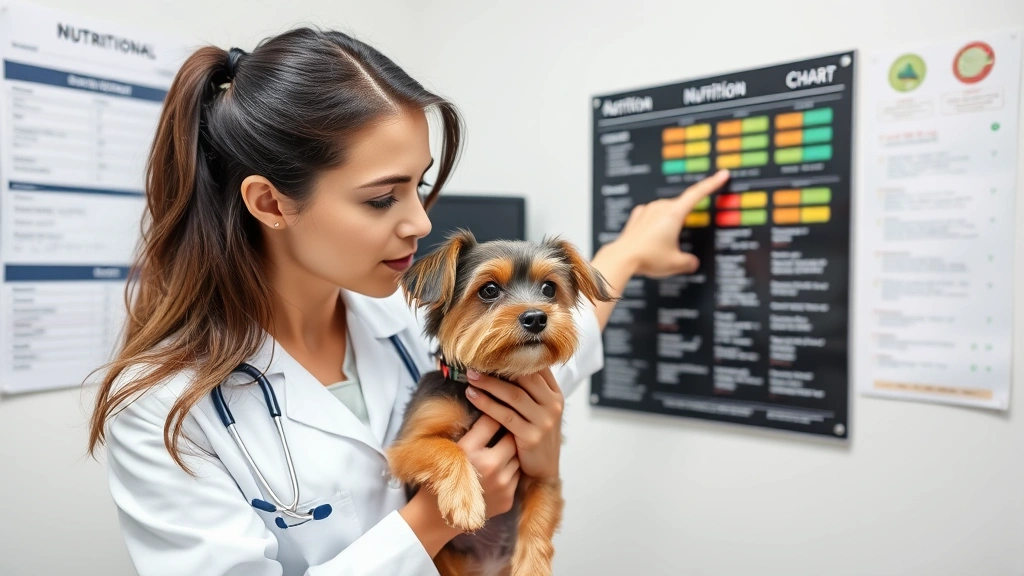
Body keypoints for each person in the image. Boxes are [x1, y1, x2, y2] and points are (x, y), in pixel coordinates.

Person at [87, 27, 729, 576]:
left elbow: (547, 332)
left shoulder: (400, 310)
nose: (420, 223)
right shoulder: (161, 406)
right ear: (270, 203)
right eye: (380, 198)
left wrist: (635, 249)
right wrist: (429, 523)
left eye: (418, 187)